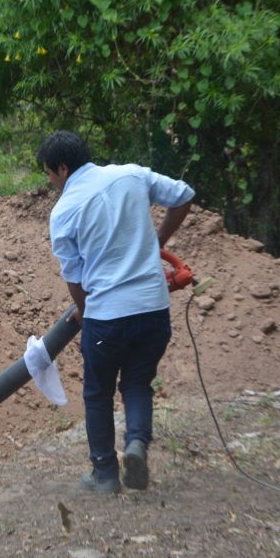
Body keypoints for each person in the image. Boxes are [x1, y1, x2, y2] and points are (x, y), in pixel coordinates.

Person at [38, 131, 195, 492]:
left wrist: (84, 311)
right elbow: (184, 195)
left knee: (98, 393)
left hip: (107, 318)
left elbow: (74, 276)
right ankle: (136, 443)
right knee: (137, 383)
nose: (50, 182)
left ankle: (105, 474)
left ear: (62, 168)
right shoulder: (132, 175)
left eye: (49, 173)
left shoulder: (64, 211)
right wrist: (157, 242)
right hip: (153, 309)